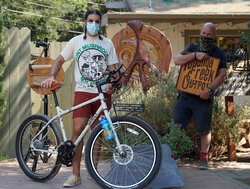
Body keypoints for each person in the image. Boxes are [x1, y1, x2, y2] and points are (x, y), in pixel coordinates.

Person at [41, 9, 119, 187]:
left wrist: (112, 85)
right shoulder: (76, 41)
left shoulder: (107, 44)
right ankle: (75, 175)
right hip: (83, 92)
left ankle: (94, 172)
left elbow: (114, 68)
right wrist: (52, 76)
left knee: (99, 133)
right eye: (90, 20)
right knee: (77, 132)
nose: (94, 24)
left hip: (102, 94)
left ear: (100, 24)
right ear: (84, 22)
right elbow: (60, 60)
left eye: (97, 21)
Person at [173, 22, 227, 170]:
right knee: (177, 127)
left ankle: (204, 159)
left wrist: (209, 90)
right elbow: (177, 60)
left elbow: (223, 75)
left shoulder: (218, 52)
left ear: (214, 35)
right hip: (184, 97)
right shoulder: (192, 47)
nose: (206, 36)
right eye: (204, 33)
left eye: (209, 34)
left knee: (204, 129)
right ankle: (174, 154)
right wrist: (195, 55)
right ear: (200, 32)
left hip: (203, 99)